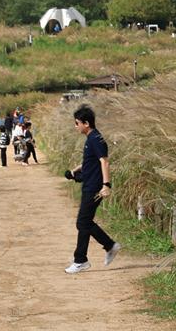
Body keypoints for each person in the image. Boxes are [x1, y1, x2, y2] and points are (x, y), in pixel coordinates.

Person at [63, 105, 121, 274]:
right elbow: (90, 161)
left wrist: (106, 185)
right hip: (89, 184)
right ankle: (108, 246)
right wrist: (76, 170)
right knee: (84, 222)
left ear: (86, 123)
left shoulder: (96, 139)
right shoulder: (91, 138)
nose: (75, 126)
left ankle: (82, 259)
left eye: (77, 123)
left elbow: (104, 161)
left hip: (95, 187)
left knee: (83, 222)